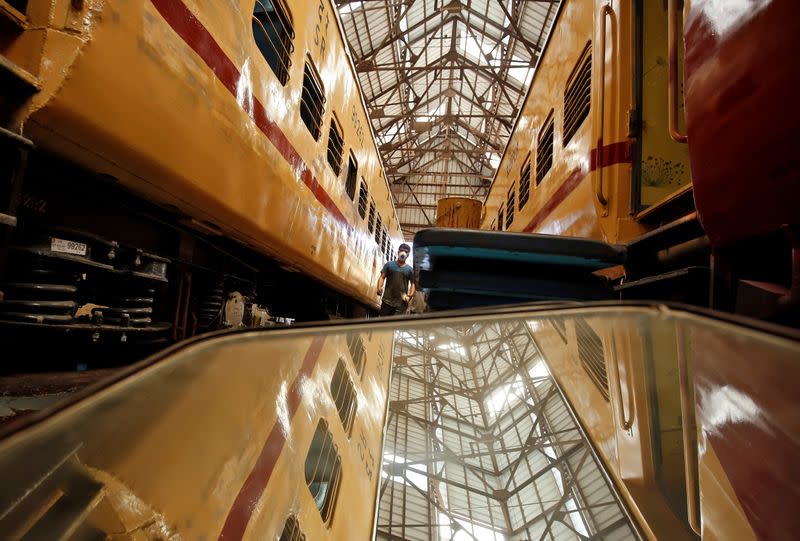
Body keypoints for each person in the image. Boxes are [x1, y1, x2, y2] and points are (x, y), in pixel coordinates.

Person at [377, 243, 415, 316]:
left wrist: (410, 295)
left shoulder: (410, 270)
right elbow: (382, 277)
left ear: (408, 255)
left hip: (401, 303)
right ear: (398, 252)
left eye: (406, 252)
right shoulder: (389, 265)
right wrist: (379, 288)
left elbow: (413, 283)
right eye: (402, 250)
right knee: (383, 323)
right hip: (387, 301)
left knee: (394, 325)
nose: (403, 253)